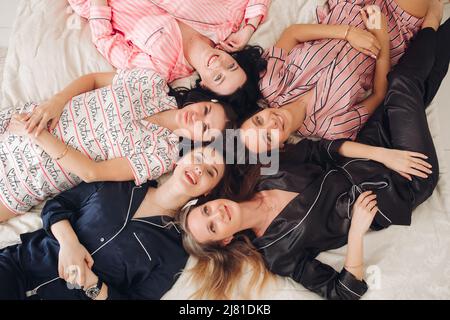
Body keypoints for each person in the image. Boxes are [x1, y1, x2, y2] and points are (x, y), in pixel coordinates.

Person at [176, 7, 450, 300]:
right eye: (213, 226)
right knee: (403, 85)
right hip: (395, 186)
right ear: (225, 239)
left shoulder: (263, 174)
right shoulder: (277, 253)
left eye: (206, 210)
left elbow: (323, 148)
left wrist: (382, 154)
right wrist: (357, 231)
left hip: (369, 149)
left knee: (407, 87)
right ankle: (434, 19)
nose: (216, 213)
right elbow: (343, 292)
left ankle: (436, 27)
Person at [0, 68, 236, 222]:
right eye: (205, 111)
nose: (196, 118)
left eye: (204, 128)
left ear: (202, 141)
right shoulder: (152, 83)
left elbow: (92, 173)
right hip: (18, 124)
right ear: (207, 100)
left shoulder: (164, 154)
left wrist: (38, 135)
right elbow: (93, 80)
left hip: (24, 180)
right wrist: (56, 101)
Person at [0, 145, 226, 300]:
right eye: (198, 158)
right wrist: (69, 244)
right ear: (181, 159)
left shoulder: (174, 253)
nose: (199, 168)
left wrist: (93, 285)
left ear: (208, 191)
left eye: (210, 172)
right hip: (21, 264)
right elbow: (58, 205)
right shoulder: (119, 183)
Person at [239, 0, 436, 153]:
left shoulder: (271, 84)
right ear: (280, 147)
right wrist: (382, 37)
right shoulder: (333, 128)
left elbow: (293, 33)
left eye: (259, 121)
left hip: (348, 7)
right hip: (392, 27)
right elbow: (378, 96)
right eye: (268, 137)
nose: (271, 123)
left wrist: (348, 33)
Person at [68, 0, 270, 111]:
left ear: (205, 86)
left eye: (218, 77)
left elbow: (104, 39)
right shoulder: (226, 22)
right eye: (231, 66)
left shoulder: (159, 68)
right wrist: (249, 27)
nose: (220, 64)